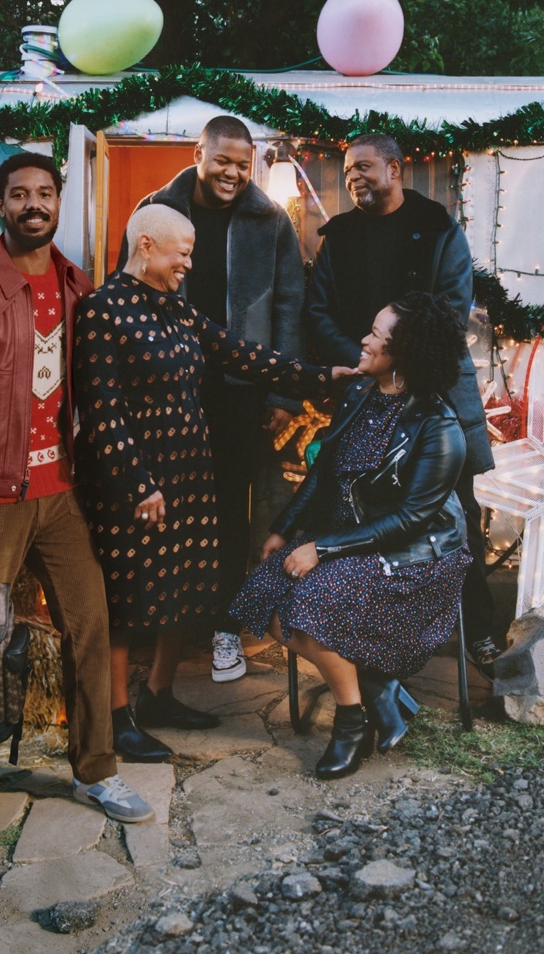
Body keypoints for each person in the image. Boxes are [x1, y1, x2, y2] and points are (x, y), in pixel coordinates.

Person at [0, 152, 152, 842]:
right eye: (19, 194)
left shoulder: (79, 286)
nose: (33, 205)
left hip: (61, 492)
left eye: (44, 193)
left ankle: (96, 768)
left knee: (89, 625)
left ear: (57, 201)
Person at [75, 204, 355, 763]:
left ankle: (158, 696)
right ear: (146, 245)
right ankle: (115, 719)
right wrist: (137, 485)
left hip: (189, 473)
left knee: (181, 590)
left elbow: (241, 354)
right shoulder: (101, 310)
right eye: (182, 252)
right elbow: (101, 409)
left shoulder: (177, 308)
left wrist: (321, 376)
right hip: (138, 484)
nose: (189, 263)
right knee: (127, 602)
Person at [228, 292, 472, 779]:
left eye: (376, 335)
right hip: (348, 538)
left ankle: (351, 722)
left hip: (413, 556)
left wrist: (321, 548)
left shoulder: (439, 427)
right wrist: (284, 529)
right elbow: (324, 476)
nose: (363, 339)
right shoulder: (360, 393)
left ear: (404, 351)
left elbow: (410, 521)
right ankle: (376, 684)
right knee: (265, 594)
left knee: (309, 606)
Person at [304, 132, 503, 679]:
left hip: (435, 392)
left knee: (456, 514)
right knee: (354, 507)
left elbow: (449, 310)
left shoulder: (438, 229)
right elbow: (317, 310)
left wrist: (397, 361)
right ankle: (366, 635)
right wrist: (364, 361)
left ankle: (478, 631)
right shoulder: (338, 237)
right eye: (347, 171)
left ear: (395, 169)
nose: (353, 178)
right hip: (361, 393)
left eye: (364, 167)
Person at [117, 115, 306, 684]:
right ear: (199, 152)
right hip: (166, 385)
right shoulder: (157, 207)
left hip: (239, 390)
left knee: (229, 510)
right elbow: (125, 282)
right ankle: (162, 624)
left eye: (242, 165)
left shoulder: (271, 220)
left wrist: (283, 389)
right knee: (163, 503)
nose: (231, 173)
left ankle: (224, 624)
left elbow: (290, 304)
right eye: (222, 160)